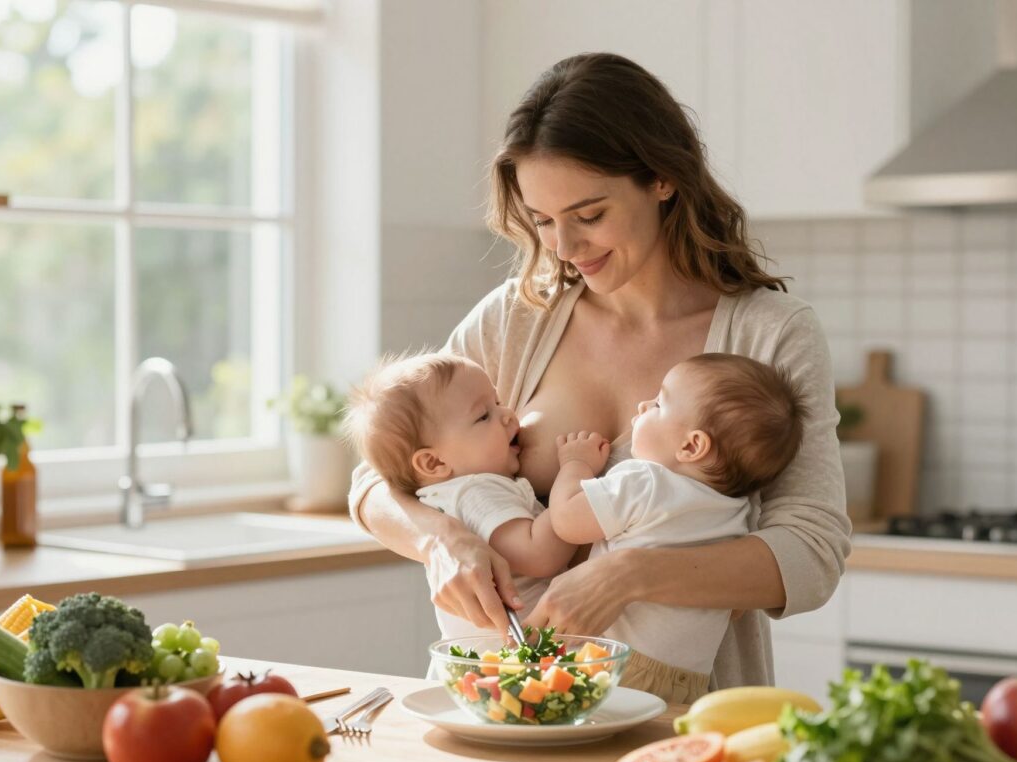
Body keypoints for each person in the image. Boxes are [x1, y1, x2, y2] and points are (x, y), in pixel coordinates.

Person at [349, 52, 851, 702]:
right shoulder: (516, 317)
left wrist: (633, 574)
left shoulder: (770, 332)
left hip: (679, 719)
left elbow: (811, 552)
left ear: (663, 179)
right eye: (542, 221)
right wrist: (442, 539)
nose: (563, 246)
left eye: (588, 215)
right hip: (506, 707)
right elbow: (375, 481)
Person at [546, 353, 808, 685]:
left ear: (692, 445)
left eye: (658, 403)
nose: (643, 405)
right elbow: (737, 606)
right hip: (691, 678)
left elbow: (568, 519)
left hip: (617, 664)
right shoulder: (735, 513)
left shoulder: (646, 482)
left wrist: (575, 465)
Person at [342, 351, 576, 642]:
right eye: (483, 415)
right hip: (518, 661)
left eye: (498, 402)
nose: (508, 415)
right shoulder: (474, 493)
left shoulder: (450, 492)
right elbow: (541, 554)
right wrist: (574, 476)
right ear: (434, 463)